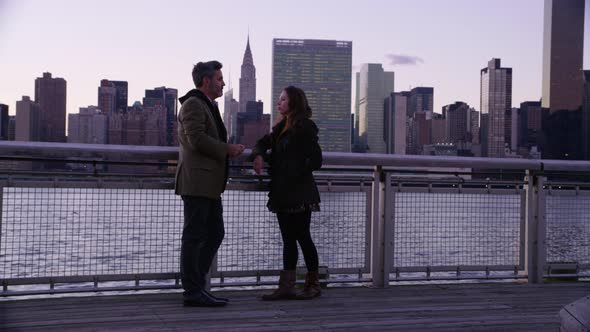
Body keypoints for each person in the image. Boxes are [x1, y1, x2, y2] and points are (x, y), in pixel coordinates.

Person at [175, 60, 245, 307]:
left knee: (215, 233)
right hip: (198, 182)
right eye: (219, 79)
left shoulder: (206, 105)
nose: (223, 82)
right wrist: (228, 149)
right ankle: (193, 290)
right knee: (194, 236)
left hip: (209, 183)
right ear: (206, 81)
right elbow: (196, 140)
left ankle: (196, 285)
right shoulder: (194, 104)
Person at [252, 86, 323, 300]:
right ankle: (287, 286)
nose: (278, 102)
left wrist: (294, 169)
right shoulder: (281, 127)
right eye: (279, 99)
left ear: (293, 103)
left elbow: (317, 160)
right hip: (283, 192)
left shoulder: (305, 127)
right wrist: (258, 155)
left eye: (282, 99)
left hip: (300, 192)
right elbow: (261, 143)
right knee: (288, 240)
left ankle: (313, 285)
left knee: (303, 237)